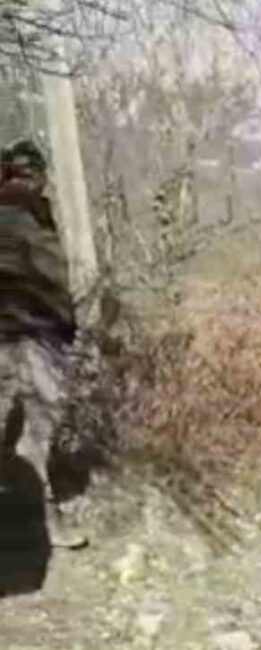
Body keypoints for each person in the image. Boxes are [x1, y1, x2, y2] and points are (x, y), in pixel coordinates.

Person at [0, 139, 85, 550]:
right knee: (38, 432)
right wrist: (67, 325)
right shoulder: (32, 214)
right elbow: (52, 278)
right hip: (34, 334)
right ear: (36, 175)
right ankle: (46, 523)